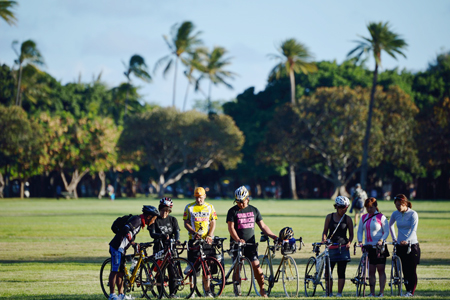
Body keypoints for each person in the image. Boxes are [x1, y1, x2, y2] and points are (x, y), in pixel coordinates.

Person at [226, 186, 278, 297]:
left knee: (256, 265)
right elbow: (231, 228)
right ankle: (237, 291)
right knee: (237, 267)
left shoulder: (254, 210)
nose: (240, 204)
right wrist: (238, 239)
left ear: (247, 199)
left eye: (242, 201)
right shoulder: (232, 211)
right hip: (237, 244)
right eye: (238, 202)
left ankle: (262, 290)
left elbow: (263, 226)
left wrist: (274, 236)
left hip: (250, 244)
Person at [108, 205, 159, 300]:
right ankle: (112, 295)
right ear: (149, 217)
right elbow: (126, 229)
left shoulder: (140, 222)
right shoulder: (137, 220)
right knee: (115, 271)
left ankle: (121, 295)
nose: (154, 221)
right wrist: (132, 242)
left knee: (121, 272)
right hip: (117, 246)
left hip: (122, 249)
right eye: (154, 218)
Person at [183, 187, 217, 297]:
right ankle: (192, 291)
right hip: (194, 241)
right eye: (197, 198)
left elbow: (213, 222)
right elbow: (186, 223)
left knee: (206, 267)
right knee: (193, 268)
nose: (199, 200)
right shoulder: (189, 207)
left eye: (201, 198)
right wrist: (193, 232)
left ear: (205, 196)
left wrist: (210, 235)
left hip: (206, 240)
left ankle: (207, 291)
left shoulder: (210, 207)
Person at [357, 197, 390, 297]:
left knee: (381, 270)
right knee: (371, 271)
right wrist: (360, 241)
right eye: (367, 207)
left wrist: (381, 240)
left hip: (379, 247)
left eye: (371, 207)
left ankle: (381, 292)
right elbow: (359, 231)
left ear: (375, 206)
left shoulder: (381, 217)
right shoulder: (363, 217)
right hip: (369, 247)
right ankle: (372, 292)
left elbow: (386, 231)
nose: (369, 209)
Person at [389, 194, 420, 297]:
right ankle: (406, 290)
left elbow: (414, 229)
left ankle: (411, 291)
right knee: (403, 269)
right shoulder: (395, 214)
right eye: (396, 205)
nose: (398, 207)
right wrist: (394, 238)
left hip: (412, 245)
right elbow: (390, 225)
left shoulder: (413, 214)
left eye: (400, 205)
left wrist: (406, 240)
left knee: (411, 269)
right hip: (400, 245)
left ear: (405, 204)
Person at [322, 196, 354, 297]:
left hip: (343, 247)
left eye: (346, 208)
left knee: (341, 271)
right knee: (329, 271)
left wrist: (349, 242)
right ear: (336, 207)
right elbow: (325, 231)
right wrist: (324, 240)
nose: (344, 210)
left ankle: (339, 293)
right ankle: (329, 292)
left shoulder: (348, 219)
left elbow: (351, 234)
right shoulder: (329, 217)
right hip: (331, 246)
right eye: (341, 207)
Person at [148, 198, 180, 297]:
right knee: (160, 272)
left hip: (170, 249)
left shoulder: (173, 219)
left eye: (167, 211)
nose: (164, 213)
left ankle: (172, 293)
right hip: (159, 248)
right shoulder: (154, 219)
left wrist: (177, 240)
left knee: (172, 272)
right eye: (163, 210)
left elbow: (177, 232)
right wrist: (161, 235)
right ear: (159, 209)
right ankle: (160, 293)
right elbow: (152, 234)